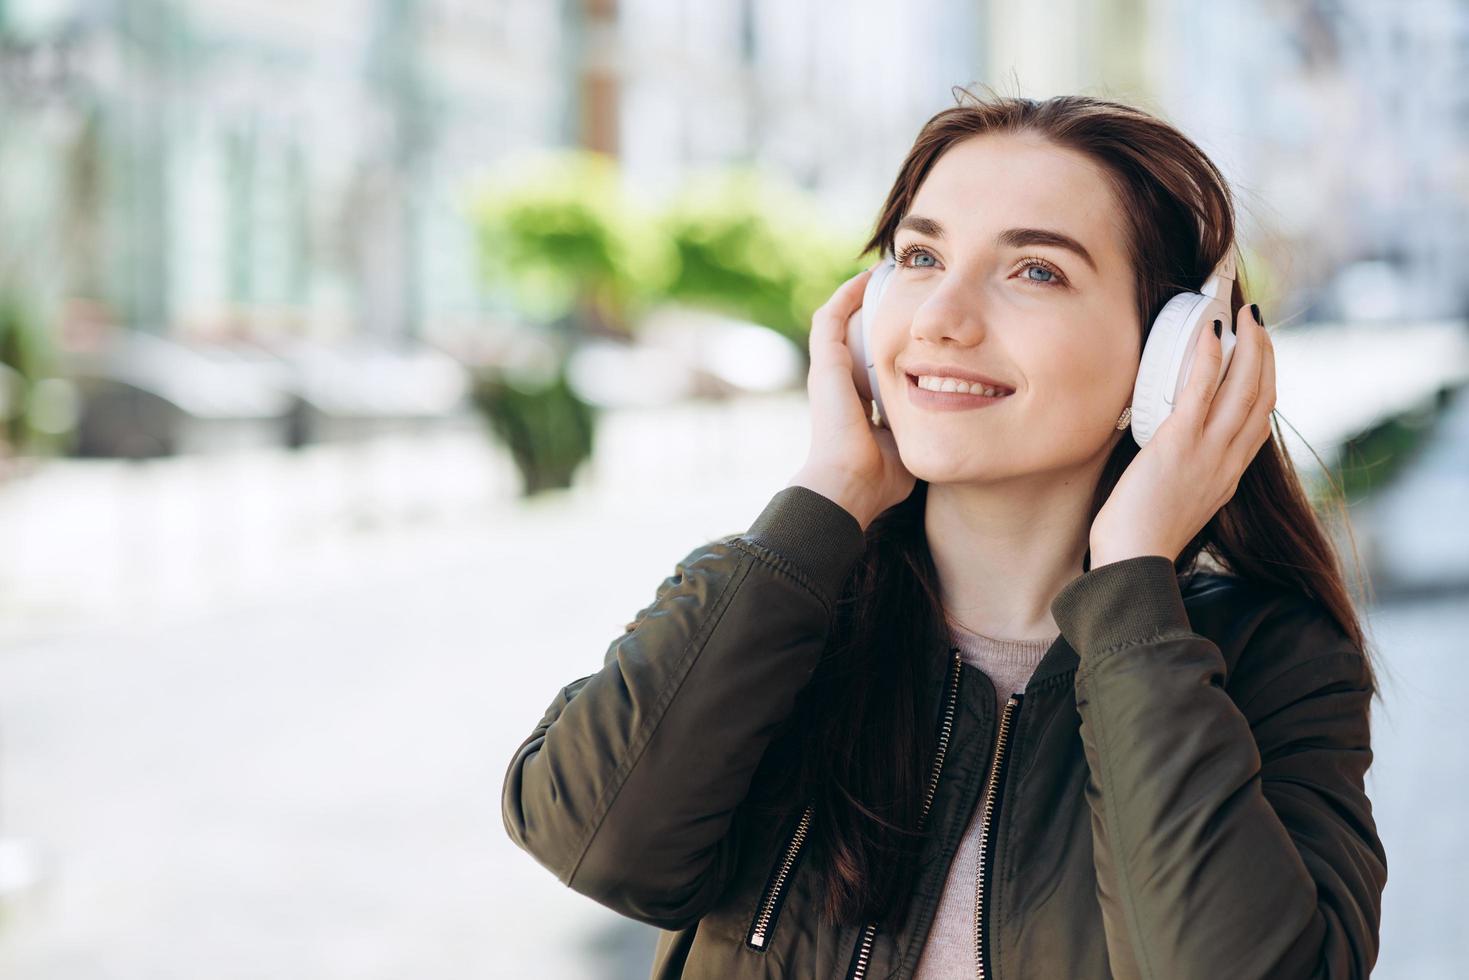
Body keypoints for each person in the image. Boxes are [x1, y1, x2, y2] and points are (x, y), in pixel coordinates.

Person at [501, 91, 1388, 980]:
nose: (940, 319)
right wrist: (829, 494)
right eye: (920, 256)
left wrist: (1132, 596)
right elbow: (594, 844)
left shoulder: (1268, 660)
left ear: (1170, 357)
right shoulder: (777, 608)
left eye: (1034, 271)